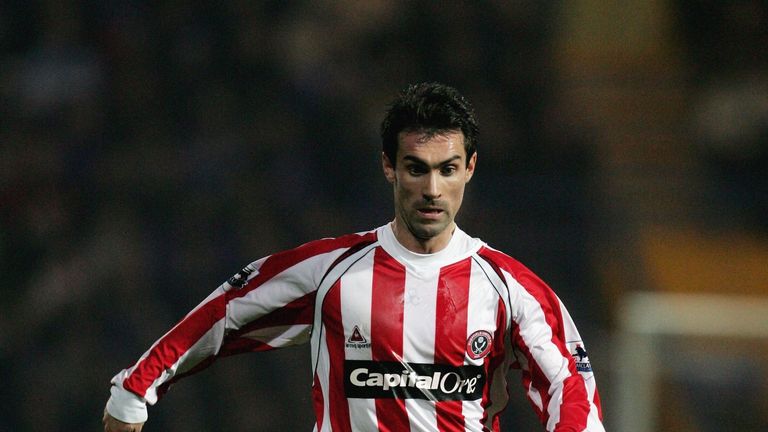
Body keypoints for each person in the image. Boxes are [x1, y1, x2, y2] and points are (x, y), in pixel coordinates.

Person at [103, 82, 604, 432]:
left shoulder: (508, 287)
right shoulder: (332, 270)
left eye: (447, 169)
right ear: (389, 167)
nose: (432, 189)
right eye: (416, 168)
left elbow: (569, 385)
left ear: (470, 168)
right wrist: (135, 388)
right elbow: (227, 310)